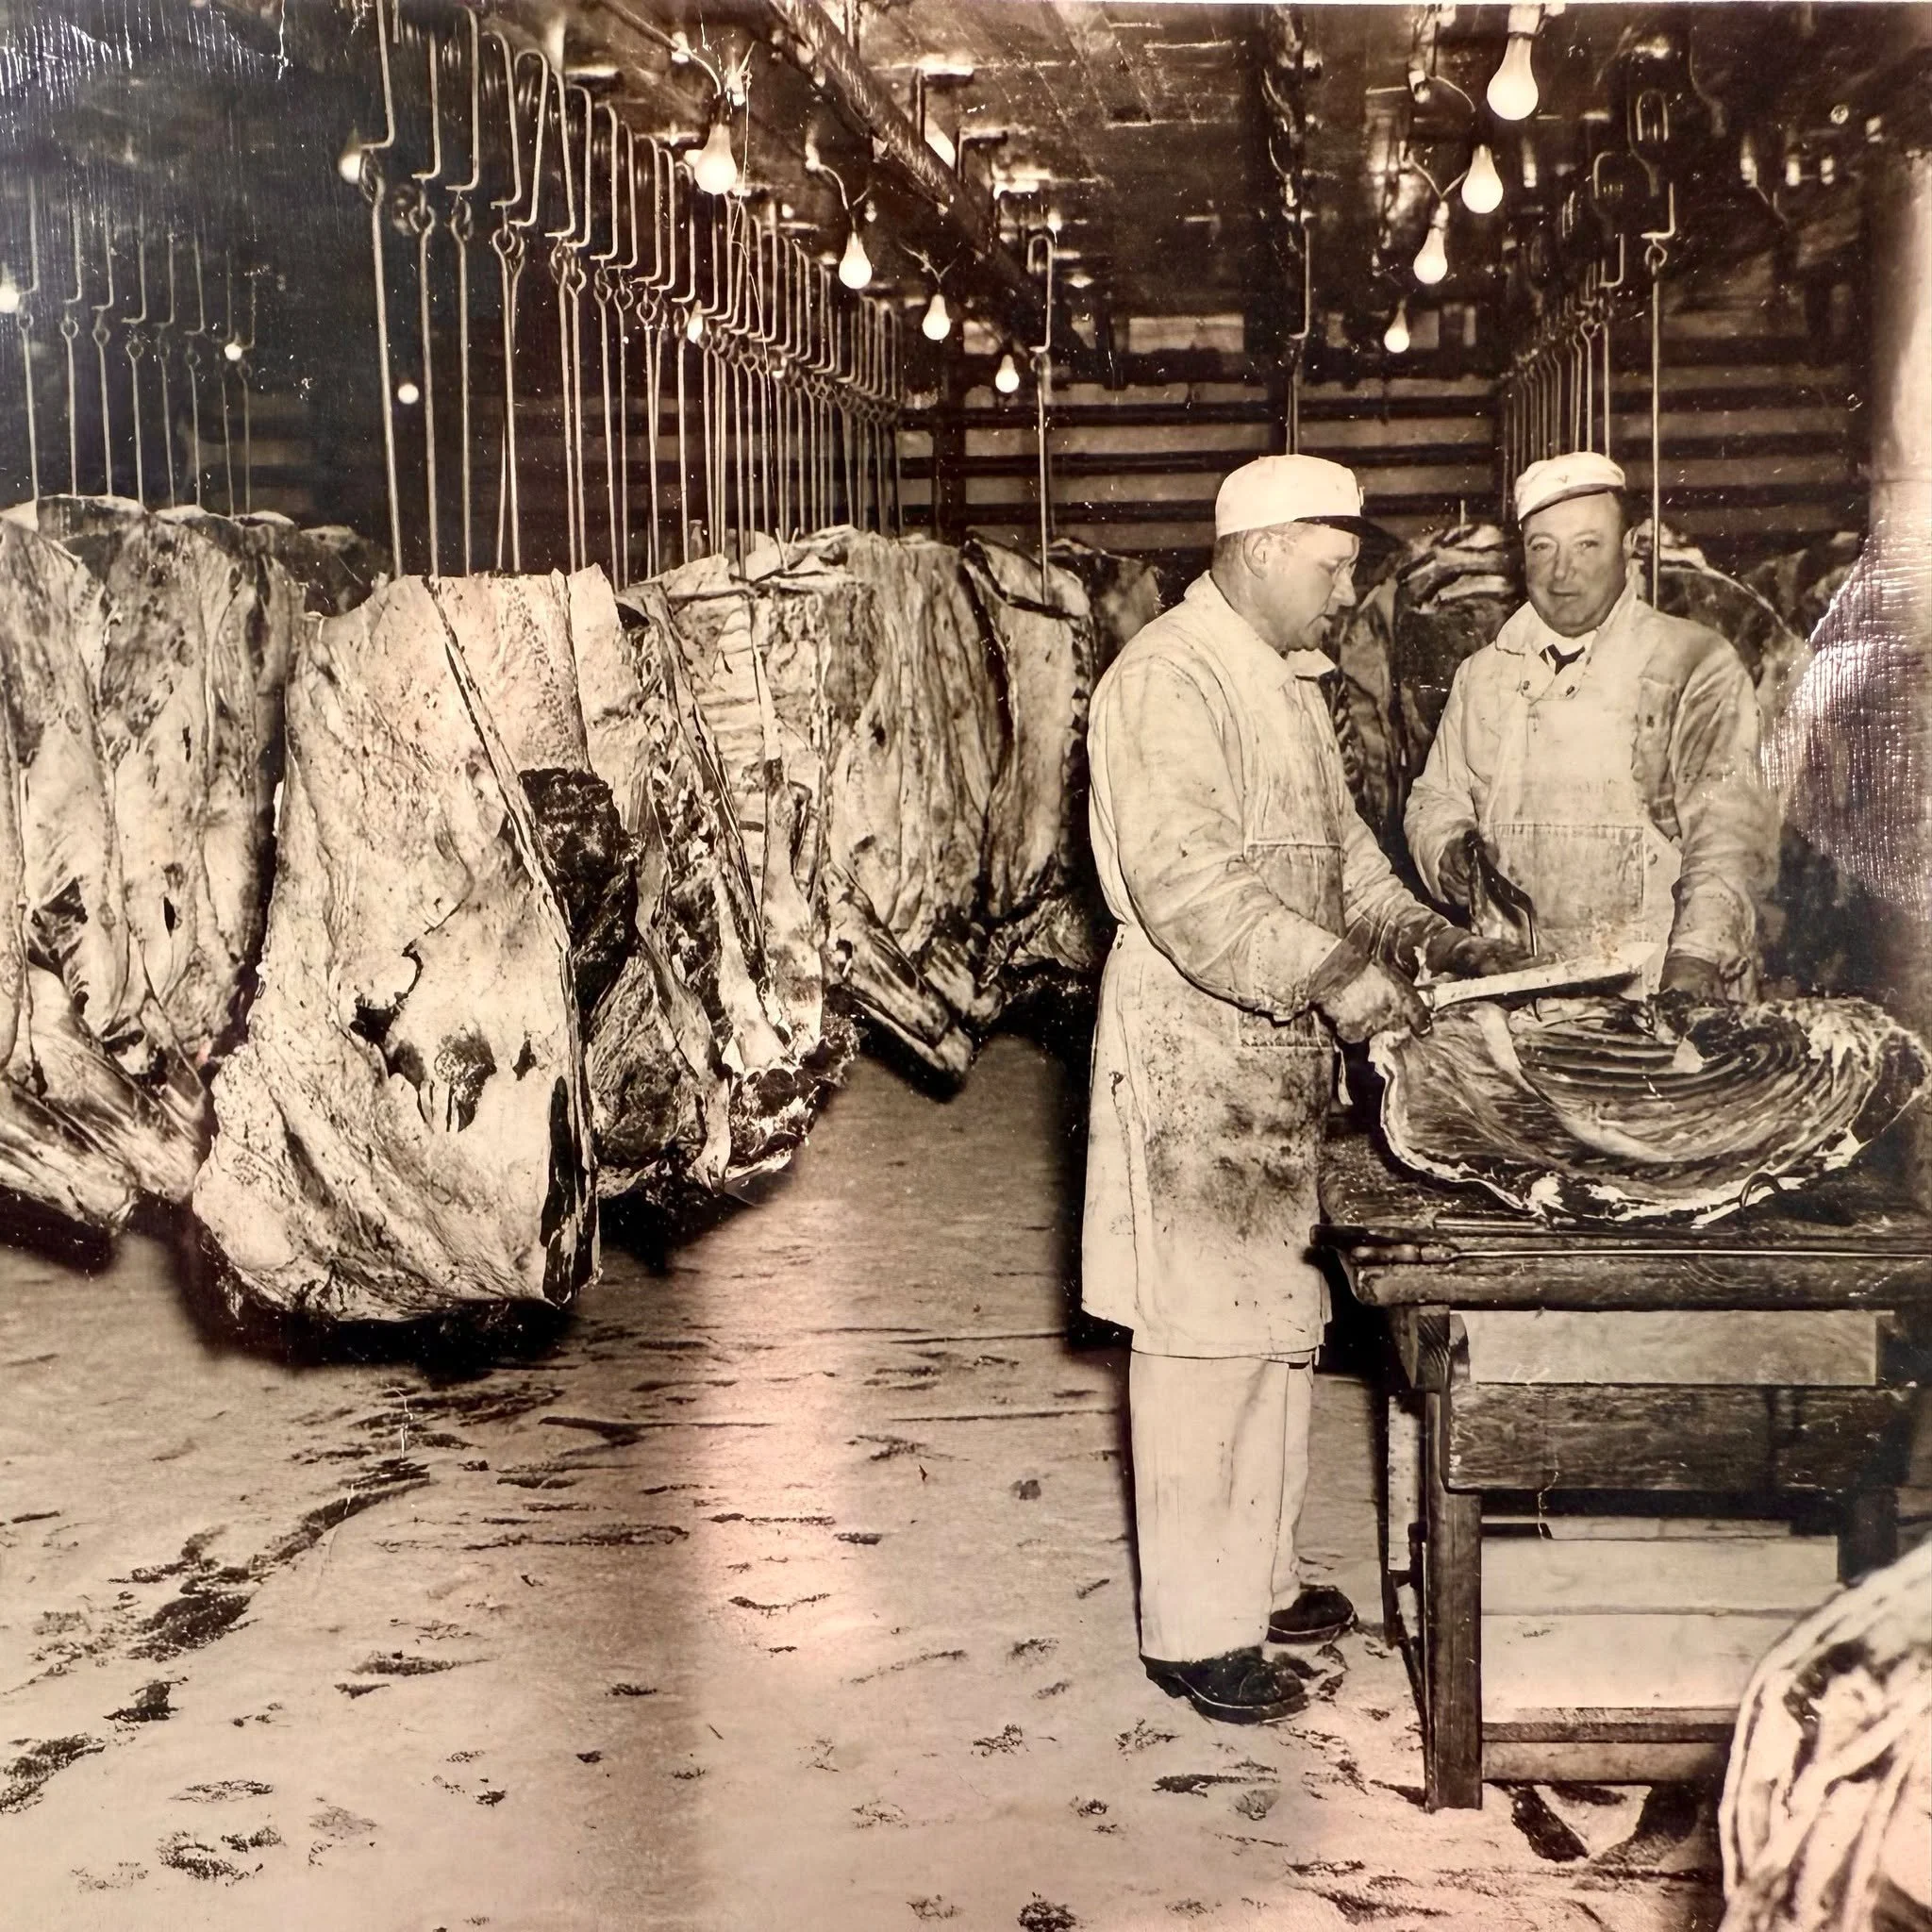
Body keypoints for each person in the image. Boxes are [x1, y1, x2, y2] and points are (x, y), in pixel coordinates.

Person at [1082, 454, 1525, 1726]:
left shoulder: (1281, 686)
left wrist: (1431, 941)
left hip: (1273, 1054)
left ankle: (1260, 1580)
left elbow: (1343, 859)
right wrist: (1341, 975)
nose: (1347, 595)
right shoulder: (1166, 680)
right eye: (1334, 570)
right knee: (1201, 1347)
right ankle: (1194, 1631)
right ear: (1265, 549)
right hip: (1195, 1049)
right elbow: (1190, 889)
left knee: (1275, 1328)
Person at [1405, 452, 1776, 1001]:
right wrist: (1445, 850)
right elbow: (1435, 797)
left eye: (1587, 545)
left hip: (1655, 983)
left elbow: (1729, 836)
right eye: (1543, 547)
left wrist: (1697, 957)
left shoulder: (1692, 663)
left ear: (1628, 548)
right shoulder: (1483, 675)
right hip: (1514, 988)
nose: (1562, 572)